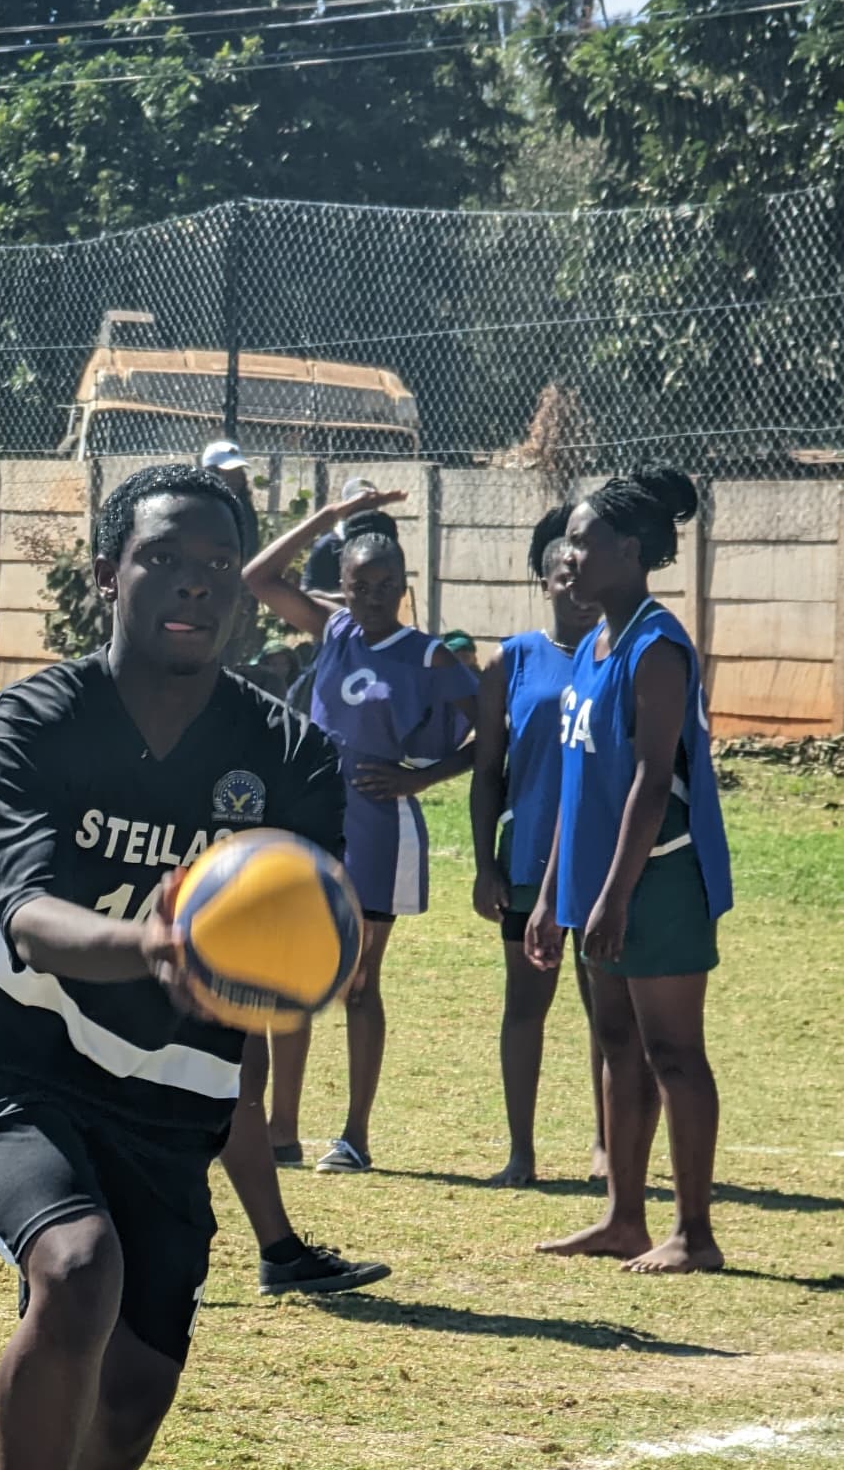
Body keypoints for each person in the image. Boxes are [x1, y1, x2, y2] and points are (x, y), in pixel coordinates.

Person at [0, 462, 367, 1470]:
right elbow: (30, 913)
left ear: (246, 596)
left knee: (141, 1388)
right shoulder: (37, 721)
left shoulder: (291, 754)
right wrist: (156, 946)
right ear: (108, 574)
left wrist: (285, 962)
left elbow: (311, 925)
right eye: (161, 559)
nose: (190, 586)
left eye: (217, 568)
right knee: (75, 1269)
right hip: (8, 1053)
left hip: (167, 1091)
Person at [527, 470, 730, 1273]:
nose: (567, 555)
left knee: (673, 1052)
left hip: (659, 880)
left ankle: (695, 1232)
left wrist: (612, 896)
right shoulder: (594, 644)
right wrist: (551, 896)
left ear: (630, 551)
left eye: (581, 541)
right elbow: (579, 790)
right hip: (594, 883)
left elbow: (652, 780)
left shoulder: (655, 645)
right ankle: (622, 1218)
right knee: (615, 1041)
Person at [243, 485, 479, 1173]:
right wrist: (329, 517)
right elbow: (257, 578)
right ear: (340, 588)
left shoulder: (428, 656)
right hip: (310, 818)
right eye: (358, 586)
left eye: (384, 586)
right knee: (288, 975)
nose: (372, 598)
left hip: (379, 827)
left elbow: (493, 731)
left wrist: (421, 778)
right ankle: (281, 1135)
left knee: (356, 983)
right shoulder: (336, 630)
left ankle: (353, 1137)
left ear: (403, 587)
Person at [468, 506, 606, 1187]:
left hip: (602, 863)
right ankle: (520, 1153)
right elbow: (486, 771)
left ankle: (609, 1150)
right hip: (524, 865)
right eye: (563, 575)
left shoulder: (619, 657)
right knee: (525, 1005)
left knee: (606, 1008)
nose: (576, 587)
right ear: (544, 583)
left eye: (584, 574)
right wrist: (483, 863)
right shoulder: (510, 661)